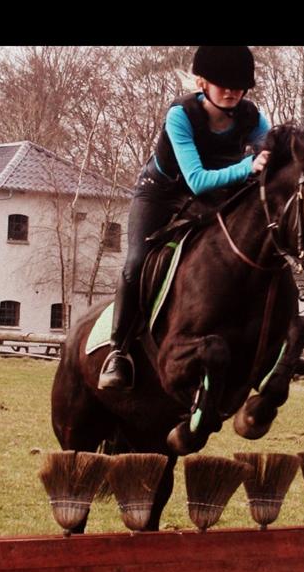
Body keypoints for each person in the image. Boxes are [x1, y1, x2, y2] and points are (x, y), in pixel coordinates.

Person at [99, 46, 272, 390]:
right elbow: (197, 179)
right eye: (223, 84)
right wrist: (247, 166)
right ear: (202, 82)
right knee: (136, 263)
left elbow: (274, 147)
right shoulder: (181, 114)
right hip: (161, 194)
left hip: (214, 197)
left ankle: (276, 343)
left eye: (239, 85)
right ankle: (118, 352)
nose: (232, 91)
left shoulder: (252, 117)